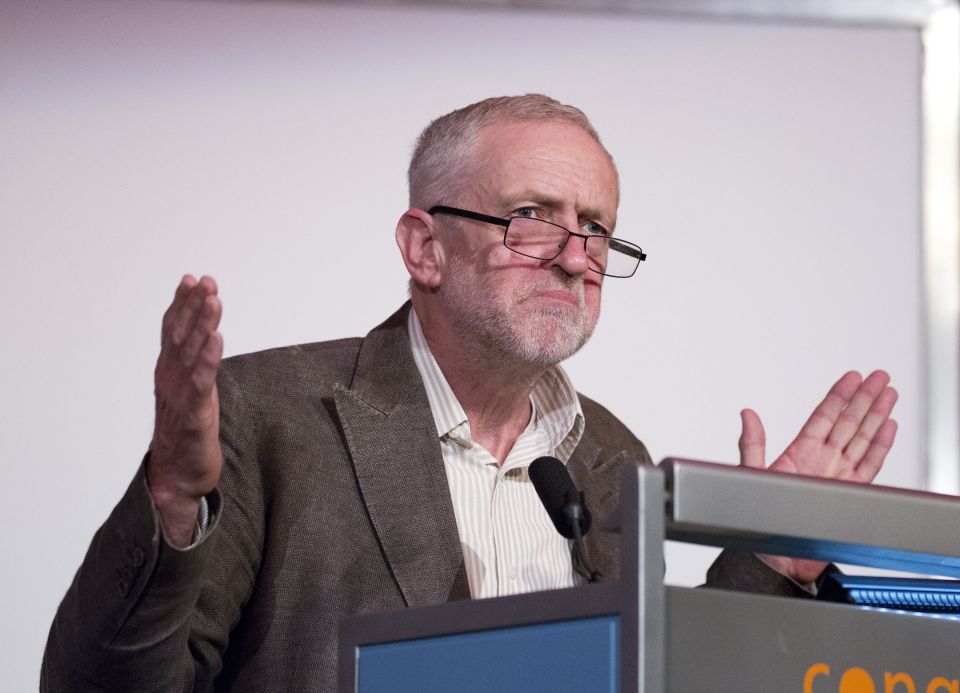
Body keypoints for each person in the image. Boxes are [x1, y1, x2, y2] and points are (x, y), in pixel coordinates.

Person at [41, 95, 898, 692]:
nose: (575, 255)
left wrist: (774, 567)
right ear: (425, 249)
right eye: (533, 215)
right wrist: (171, 510)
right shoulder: (268, 414)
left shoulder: (608, 458)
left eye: (596, 227)